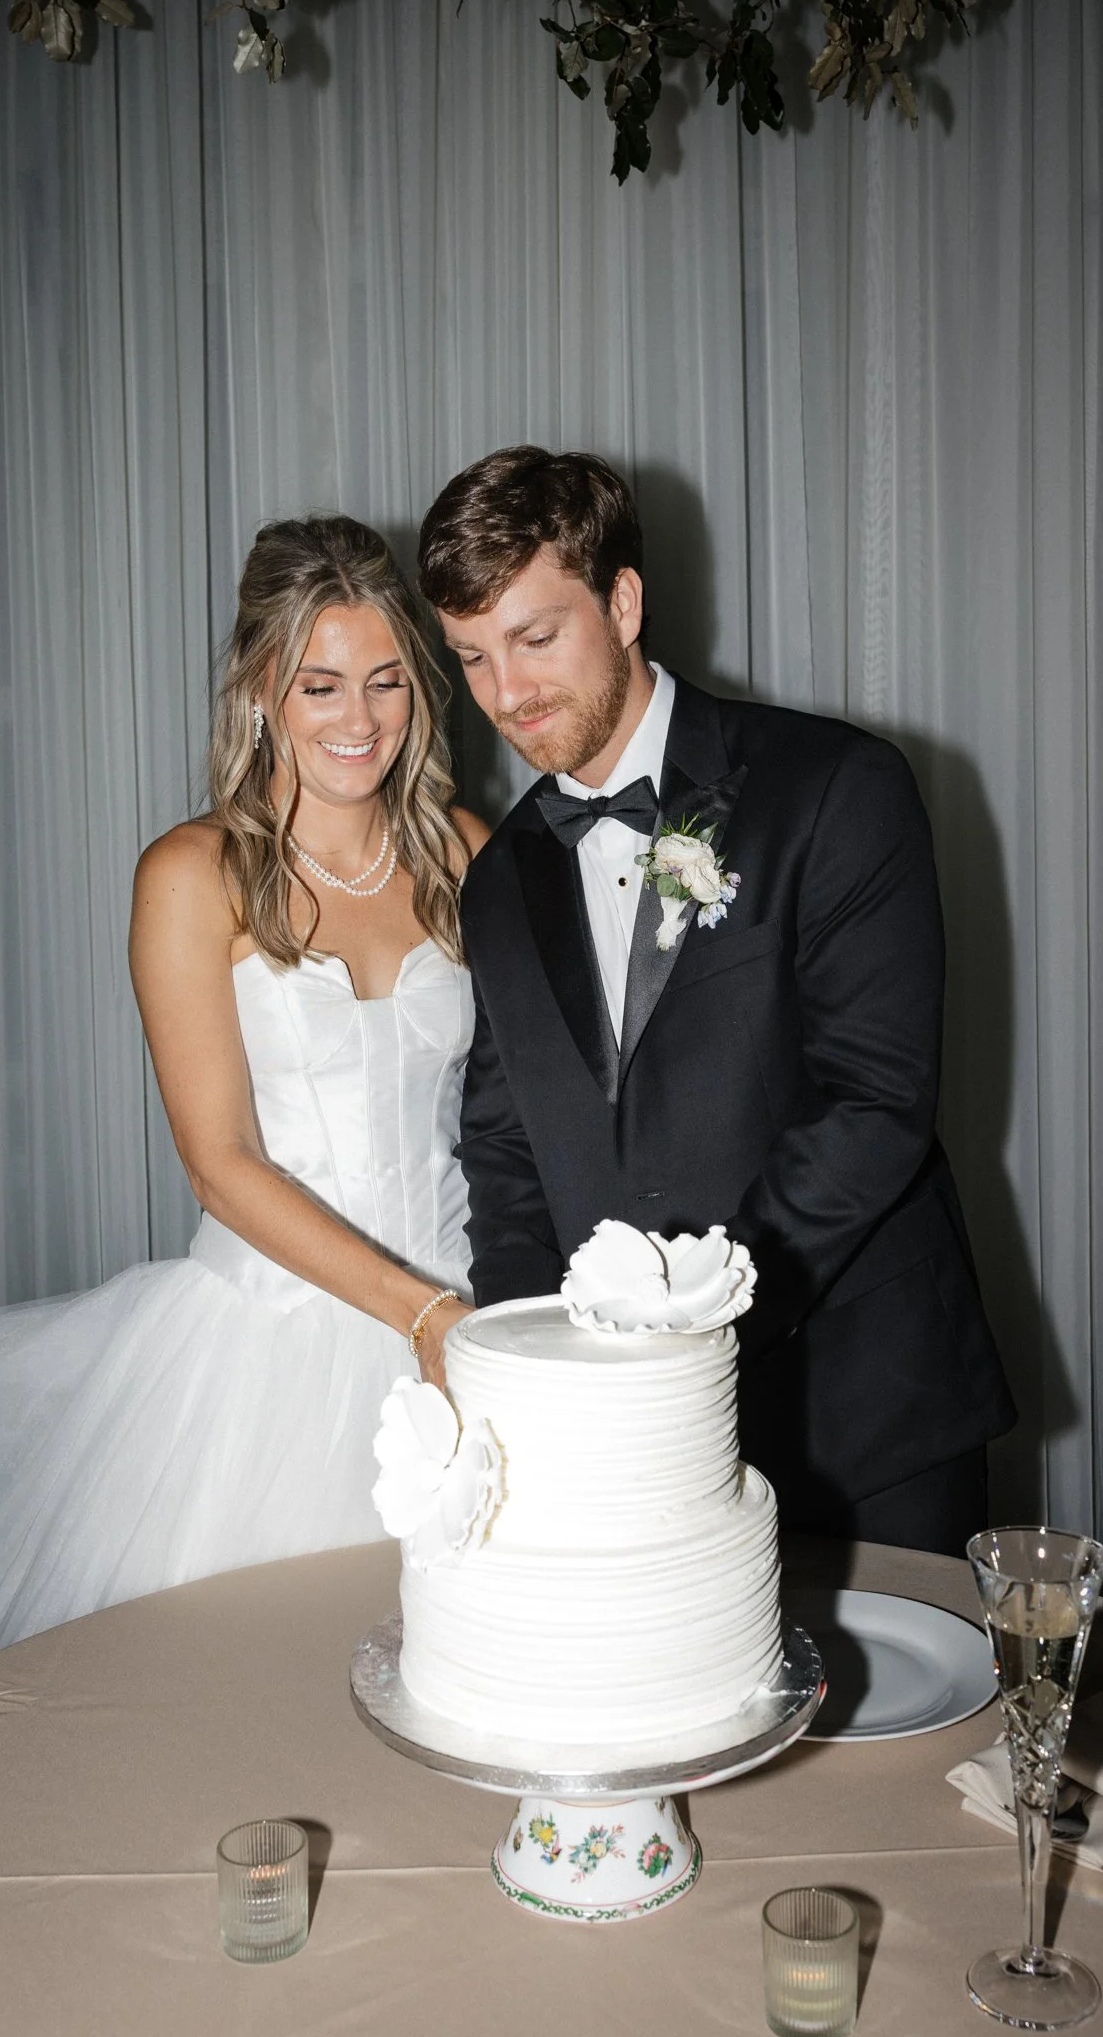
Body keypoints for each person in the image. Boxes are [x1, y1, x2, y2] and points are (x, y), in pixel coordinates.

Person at [417, 447, 1016, 1555]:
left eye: (536, 638)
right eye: (472, 659)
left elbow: (877, 1100)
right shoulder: (499, 877)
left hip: (862, 1416)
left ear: (625, 599)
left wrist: (686, 1325)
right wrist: (541, 1366)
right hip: (630, 1448)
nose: (506, 695)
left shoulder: (836, 787)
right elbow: (503, 1149)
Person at [0, 515, 485, 1674]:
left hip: (473, 1321)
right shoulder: (192, 874)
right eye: (320, 683)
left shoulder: (468, 857)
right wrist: (420, 1315)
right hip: (273, 1348)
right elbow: (220, 1163)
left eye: (387, 680)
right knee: (264, 1690)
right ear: (257, 688)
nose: (360, 719)